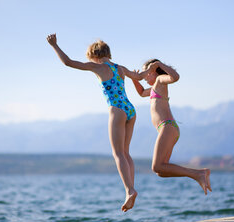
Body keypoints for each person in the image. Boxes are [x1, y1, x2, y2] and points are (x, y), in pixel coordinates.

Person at [47, 34, 158, 211]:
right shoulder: (120, 68)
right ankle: (131, 188)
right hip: (130, 109)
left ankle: (130, 190)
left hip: (116, 109)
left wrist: (55, 45)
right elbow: (140, 76)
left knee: (118, 154)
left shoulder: (97, 67)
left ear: (94, 55)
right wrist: (151, 68)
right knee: (126, 153)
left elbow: (68, 62)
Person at [131, 59, 212, 195]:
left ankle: (198, 174)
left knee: (156, 166)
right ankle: (198, 174)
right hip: (167, 128)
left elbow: (175, 77)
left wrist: (159, 65)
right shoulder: (153, 89)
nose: (144, 76)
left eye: (146, 73)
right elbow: (141, 92)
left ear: (154, 72)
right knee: (161, 171)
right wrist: (135, 79)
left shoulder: (160, 80)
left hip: (167, 127)